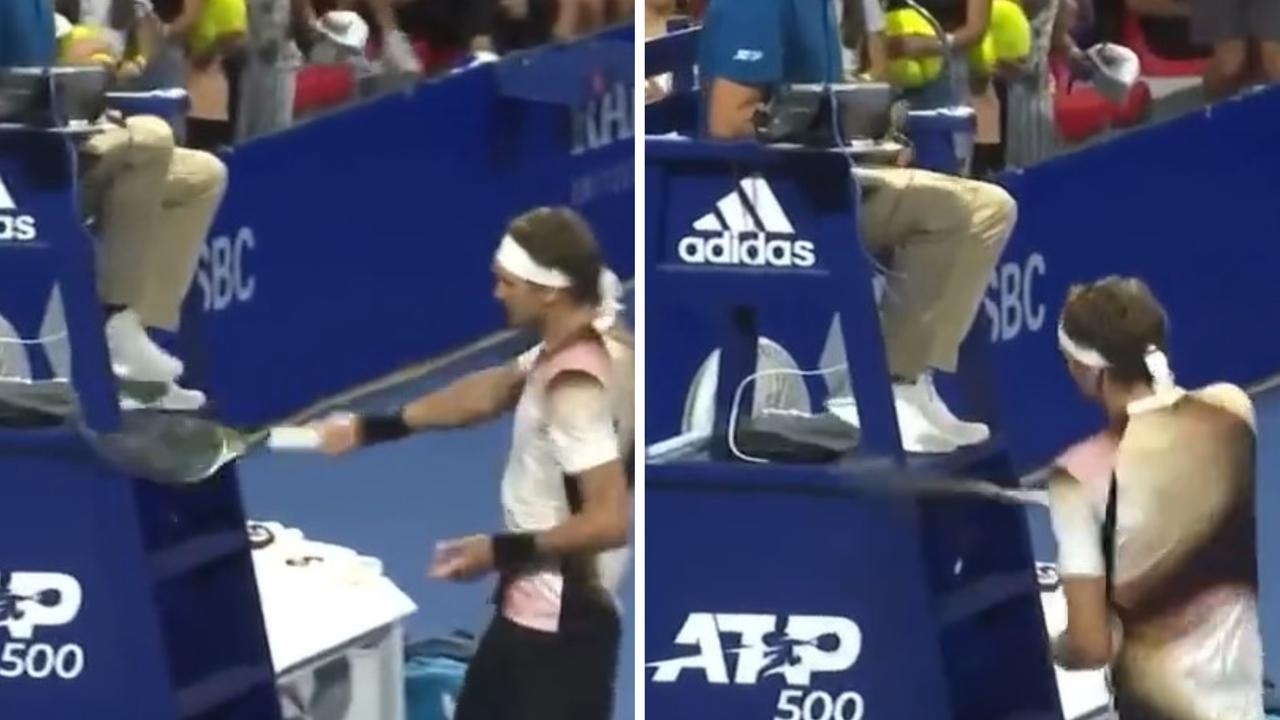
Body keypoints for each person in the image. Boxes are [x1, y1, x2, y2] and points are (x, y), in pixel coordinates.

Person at [310, 207, 633, 720]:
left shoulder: (575, 387)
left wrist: (496, 550)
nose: (497, 293)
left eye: (507, 282)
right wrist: (373, 428)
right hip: (531, 618)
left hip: (561, 635)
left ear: (549, 290)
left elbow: (610, 521)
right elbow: (489, 391)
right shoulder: (582, 343)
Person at [698, 0, 1017, 453]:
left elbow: (820, 100)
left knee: (990, 208)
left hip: (822, 178)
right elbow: (729, 120)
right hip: (771, 200)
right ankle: (881, 391)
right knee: (960, 213)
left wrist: (869, 134)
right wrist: (843, 138)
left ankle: (906, 381)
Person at [1048, 276, 1263, 720]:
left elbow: (1090, 648)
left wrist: (1053, 644)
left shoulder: (1078, 476)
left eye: (1067, 360)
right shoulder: (1232, 408)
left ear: (1090, 371)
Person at [3, 1, 225, 409]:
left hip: (66, 137)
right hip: (27, 163)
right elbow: (22, 85)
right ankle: (116, 325)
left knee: (202, 177)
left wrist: (96, 64)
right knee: (153, 137)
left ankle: (139, 353)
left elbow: (69, 44)